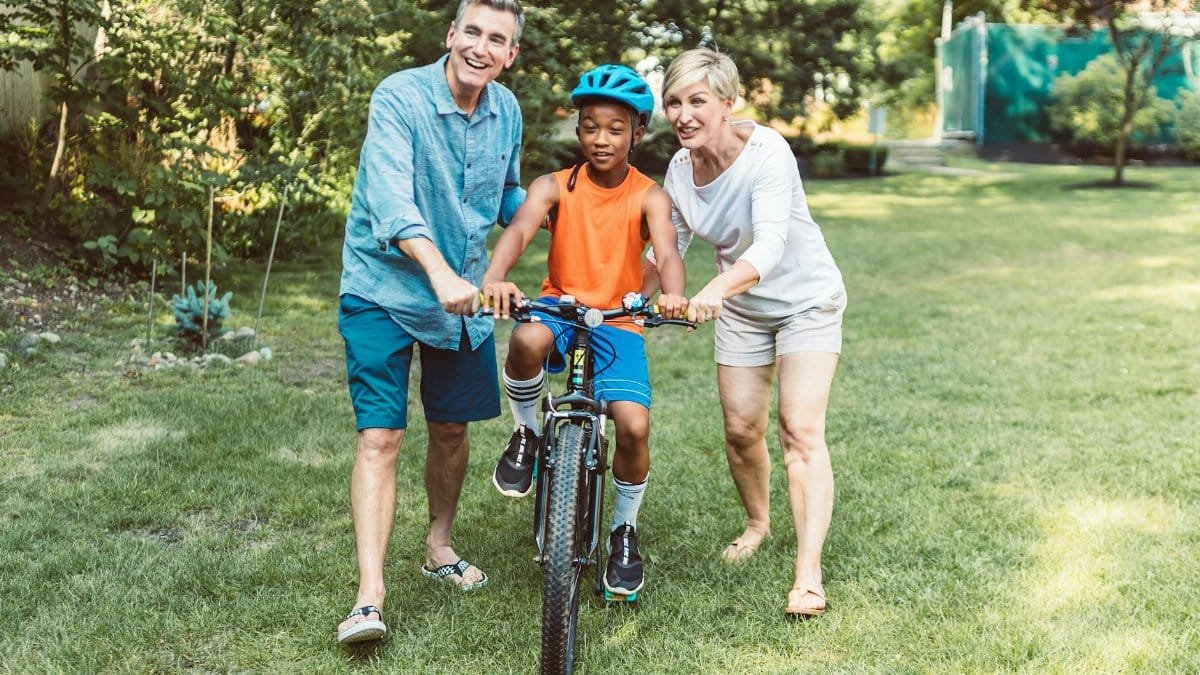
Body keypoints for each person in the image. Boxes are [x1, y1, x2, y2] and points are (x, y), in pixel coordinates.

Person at [334, 0, 527, 645]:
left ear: (510, 54)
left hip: (462, 299)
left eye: (495, 39)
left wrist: (559, 212)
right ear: (451, 36)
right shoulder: (400, 97)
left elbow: (506, 193)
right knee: (380, 438)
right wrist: (440, 273)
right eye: (471, 31)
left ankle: (439, 548)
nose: (480, 46)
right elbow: (389, 196)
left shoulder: (508, 112)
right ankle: (369, 597)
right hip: (384, 287)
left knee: (450, 430)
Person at [479, 64, 688, 598]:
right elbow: (522, 227)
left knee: (633, 427)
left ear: (637, 135)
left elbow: (666, 249)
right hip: (561, 305)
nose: (601, 138)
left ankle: (623, 529)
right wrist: (495, 277)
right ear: (578, 130)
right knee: (526, 340)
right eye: (591, 126)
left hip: (619, 317)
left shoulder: (650, 195)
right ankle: (526, 430)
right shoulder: (554, 186)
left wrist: (674, 294)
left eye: (615, 129)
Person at [654, 48, 847, 618]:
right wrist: (642, 295)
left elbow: (770, 243)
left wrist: (712, 291)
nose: (683, 115)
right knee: (741, 429)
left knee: (799, 428)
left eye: (697, 101)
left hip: (805, 301)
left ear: (728, 102)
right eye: (673, 102)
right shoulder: (679, 168)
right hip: (743, 310)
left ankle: (807, 577)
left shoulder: (767, 152)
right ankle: (758, 524)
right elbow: (672, 243)